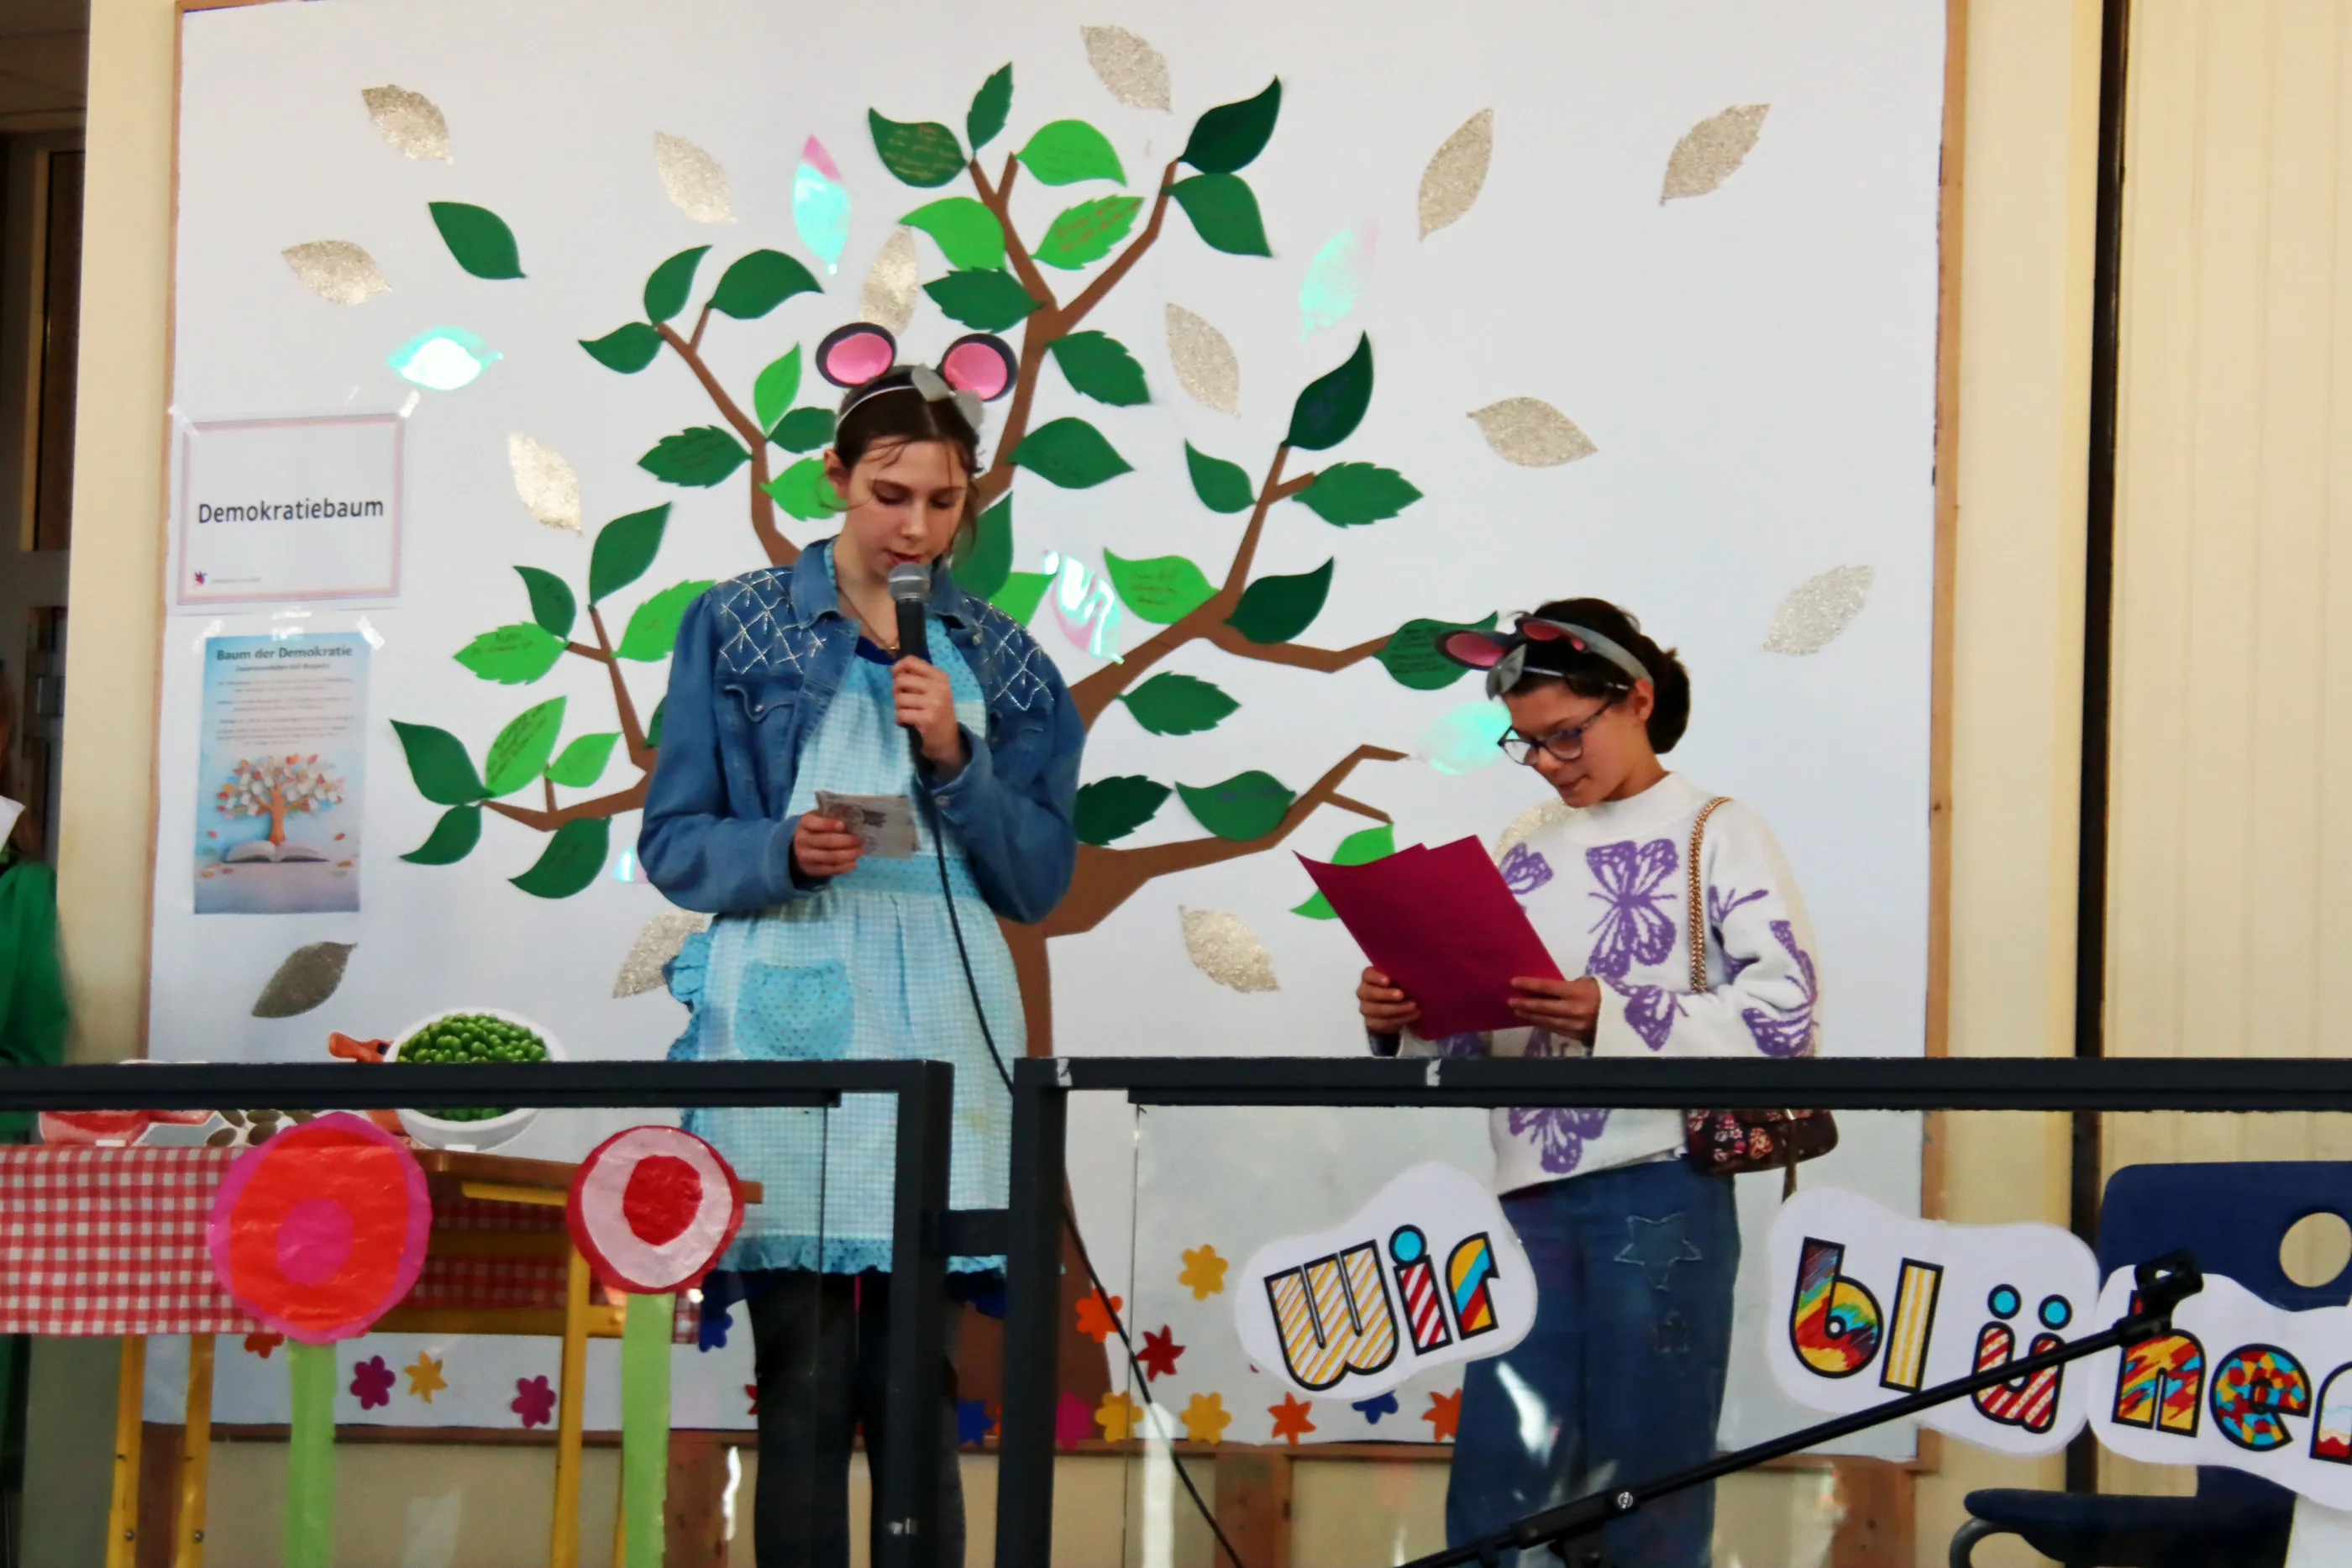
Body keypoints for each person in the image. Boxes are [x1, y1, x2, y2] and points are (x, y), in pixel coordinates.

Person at [640, 323, 1084, 1567]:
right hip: (790, 1006)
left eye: (945, 500)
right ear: (836, 477)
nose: (917, 525)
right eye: (891, 493)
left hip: (944, 1020)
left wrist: (958, 757)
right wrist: (781, 852)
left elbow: (1037, 876)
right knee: (803, 1383)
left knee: (916, 1387)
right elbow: (675, 841)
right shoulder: (731, 628)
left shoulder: (1006, 661)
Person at [1356, 600, 1823, 1568]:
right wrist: (1403, 1012)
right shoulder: (1523, 845)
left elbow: (1790, 1019)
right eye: (1525, 744)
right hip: (1525, 1192)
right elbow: (1486, 1042)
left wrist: (1608, 1012)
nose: (1550, 761)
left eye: (1566, 733)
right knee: (1501, 1463)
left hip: (1663, 1183)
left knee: (1648, 1460)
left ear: (1637, 698)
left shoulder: (1718, 831)